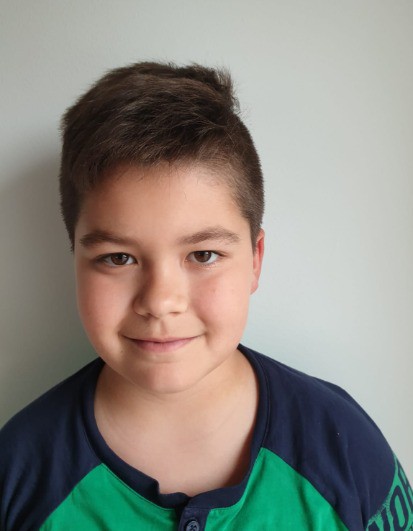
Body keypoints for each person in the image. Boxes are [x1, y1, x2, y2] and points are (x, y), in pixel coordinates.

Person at [0, 62, 411, 531]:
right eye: (118, 258)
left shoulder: (344, 447)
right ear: (74, 257)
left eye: (203, 254)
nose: (160, 301)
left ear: (255, 260)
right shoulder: (18, 474)